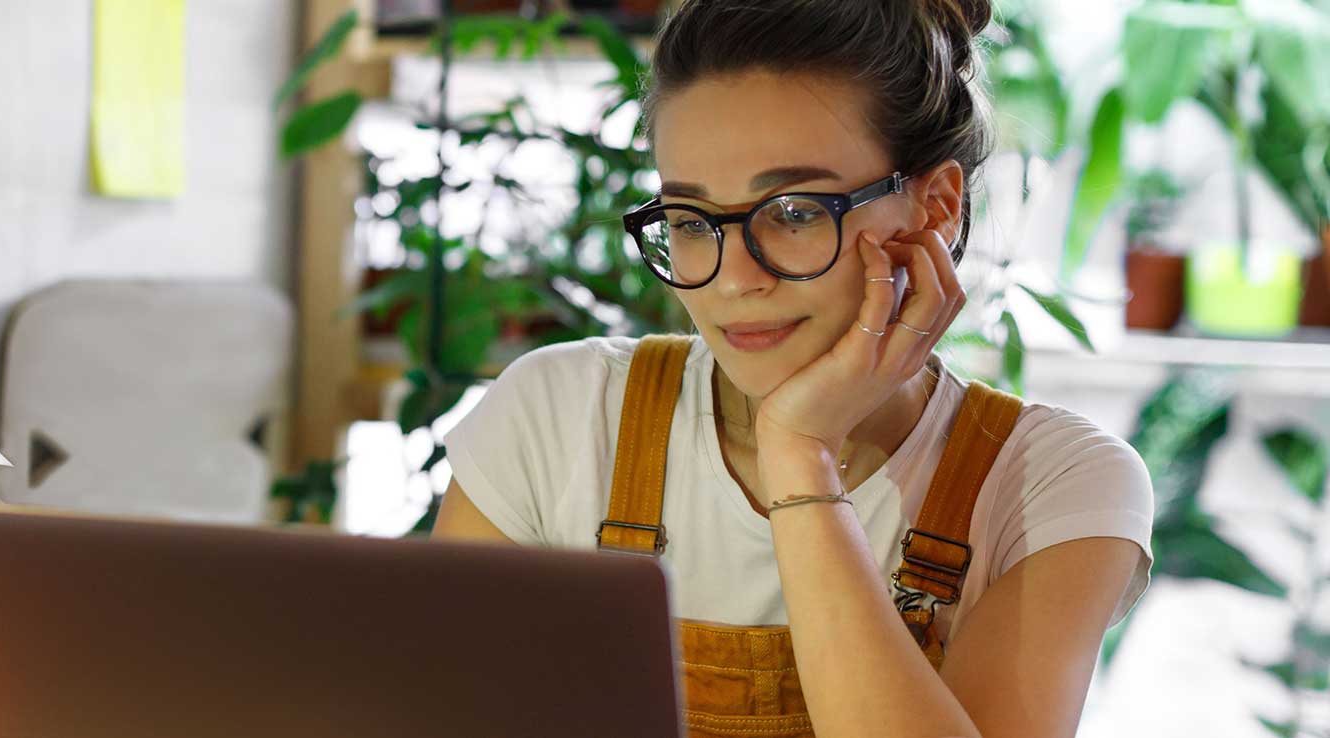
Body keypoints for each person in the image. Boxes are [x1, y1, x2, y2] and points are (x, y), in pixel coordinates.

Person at [431, 1, 1155, 737]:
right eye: (691, 221)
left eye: (795, 211)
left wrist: (799, 454)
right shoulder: (558, 416)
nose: (735, 278)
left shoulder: (1051, 484)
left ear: (933, 210)